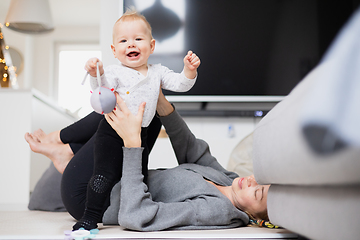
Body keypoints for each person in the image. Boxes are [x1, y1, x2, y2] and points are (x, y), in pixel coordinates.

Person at [25, 90, 270, 232]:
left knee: (124, 103)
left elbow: (136, 215)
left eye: (257, 193)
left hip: (91, 196)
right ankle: (65, 152)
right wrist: (162, 102)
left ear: (257, 219)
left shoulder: (218, 210)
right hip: (113, 180)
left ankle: (58, 140)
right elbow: (193, 151)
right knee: (146, 103)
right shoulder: (229, 180)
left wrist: (133, 144)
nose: (250, 182)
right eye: (259, 181)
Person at [77, 9, 200, 230]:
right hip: (112, 131)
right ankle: (90, 216)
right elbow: (101, 91)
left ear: (151, 46)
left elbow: (182, 84)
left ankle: (130, 210)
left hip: (140, 134)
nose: (131, 44)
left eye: (138, 39)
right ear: (115, 50)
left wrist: (189, 70)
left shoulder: (158, 72)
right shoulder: (114, 72)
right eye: (124, 41)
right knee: (103, 175)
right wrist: (97, 72)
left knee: (138, 176)